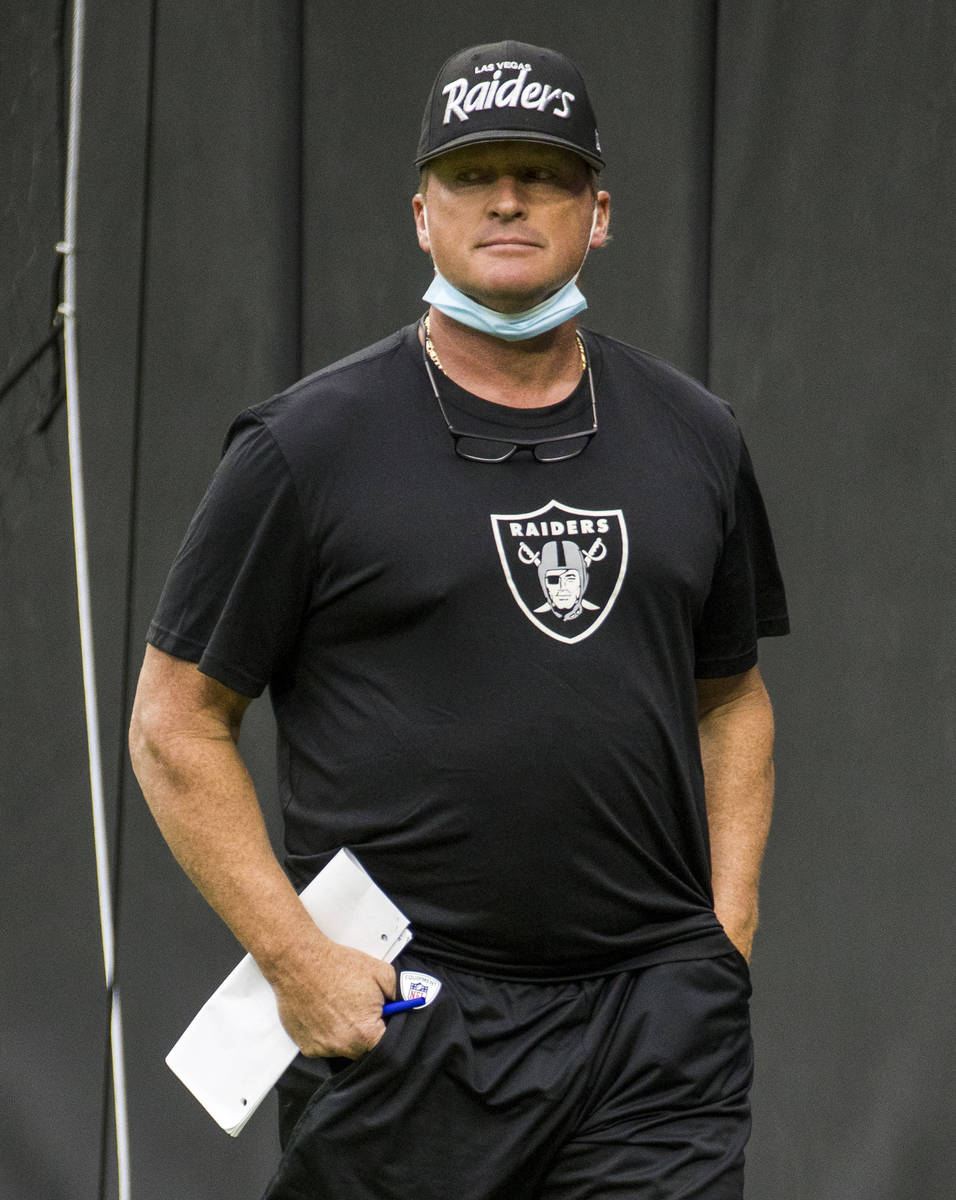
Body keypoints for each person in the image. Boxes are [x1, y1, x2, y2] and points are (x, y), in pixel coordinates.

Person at [129, 39, 788, 1200]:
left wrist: (719, 940)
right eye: (473, 173)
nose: (505, 199)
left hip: (652, 1031)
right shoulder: (305, 448)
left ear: (598, 214)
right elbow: (173, 722)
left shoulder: (696, 437)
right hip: (411, 1019)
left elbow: (730, 698)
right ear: (420, 213)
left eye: (541, 173)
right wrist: (297, 963)